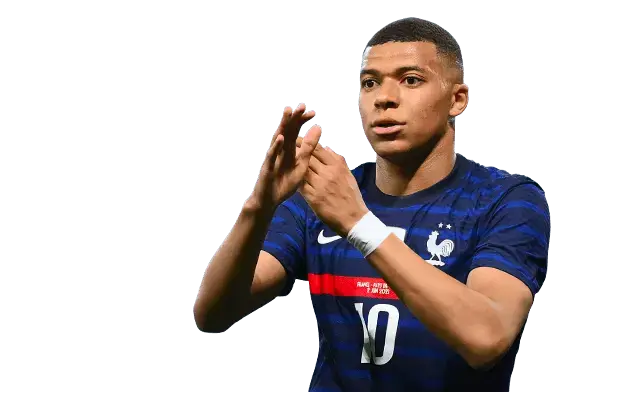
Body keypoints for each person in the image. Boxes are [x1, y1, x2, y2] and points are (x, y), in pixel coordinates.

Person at [193, 17, 550, 392]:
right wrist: (258, 207)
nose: (384, 98)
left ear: (457, 100)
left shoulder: (506, 199)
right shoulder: (322, 197)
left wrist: (358, 224)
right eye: (370, 83)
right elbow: (213, 315)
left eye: (410, 80)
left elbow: (486, 338)